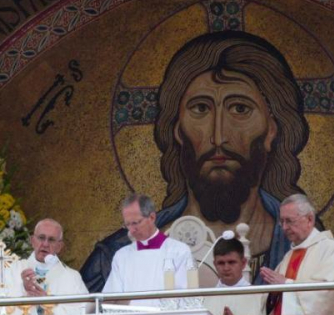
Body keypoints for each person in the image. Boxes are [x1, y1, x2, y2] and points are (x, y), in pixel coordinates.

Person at [82, 31, 311, 291]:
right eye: (200, 109)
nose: (218, 137)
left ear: (271, 130)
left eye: (240, 109)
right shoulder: (114, 256)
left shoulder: (314, 250)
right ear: (178, 130)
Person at [102, 194, 193, 307]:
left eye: (135, 223)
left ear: (152, 217)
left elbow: (186, 299)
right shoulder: (121, 256)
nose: (132, 230)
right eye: (127, 225)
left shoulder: (179, 251)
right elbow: (111, 299)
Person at [0, 219, 89, 315]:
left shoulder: (72, 277)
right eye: (41, 238)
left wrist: (48, 302)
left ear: (59, 246)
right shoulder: (13, 270)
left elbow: (84, 312)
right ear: (33, 241)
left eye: (51, 240)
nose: (45, 244)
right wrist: (23, 288)